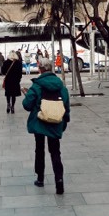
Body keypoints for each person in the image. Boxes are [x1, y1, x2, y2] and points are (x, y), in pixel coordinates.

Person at [22, 56, 70, 194]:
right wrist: (65, 121)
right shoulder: (61, 86)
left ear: (40, 69)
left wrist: (27, 95)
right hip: (55, 122)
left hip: (39, 123)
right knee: (55, 152)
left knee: (39, 149)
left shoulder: (37, 85)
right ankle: (59, 180)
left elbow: (27, 105)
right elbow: (66, 106)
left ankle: (40, 178)